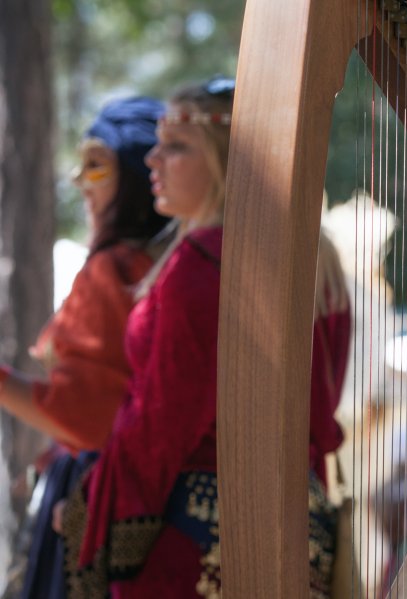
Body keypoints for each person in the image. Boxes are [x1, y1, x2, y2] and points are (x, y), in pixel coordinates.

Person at [58, 77, 351, 599]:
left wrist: (96, 514)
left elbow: (160, 426)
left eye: (175, 147)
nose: (152, 160)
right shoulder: (317, 260)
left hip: (195, 539)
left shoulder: (201, 264)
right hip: (299, 528)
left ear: (225, 159)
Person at [0, 95, 169, 599]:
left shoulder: (112, 270)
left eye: (96, 166)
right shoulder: (170, 265)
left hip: (100, 499)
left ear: (139, 173)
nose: (79, 183)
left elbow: (83, 420)